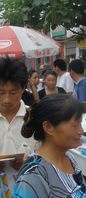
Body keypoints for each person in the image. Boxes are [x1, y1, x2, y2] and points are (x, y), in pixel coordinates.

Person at [13, 94, 86, 197]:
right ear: (48, 127)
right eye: (75, 125)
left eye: (81, 123)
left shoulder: (68, 157)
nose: (81, 131)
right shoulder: (33, 174)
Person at [0, 56, 40, 196]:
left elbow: (51, 157)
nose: (6, 99)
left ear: (23, 88)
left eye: (13, 92)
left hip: (29, 190)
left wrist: (31, 162)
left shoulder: (36, 119)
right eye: (0, 92)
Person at [69, 59, 86, 137]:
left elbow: (84, 106)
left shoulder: (82, 85)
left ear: (72, 72)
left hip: (83, 122)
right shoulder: (79, 84)